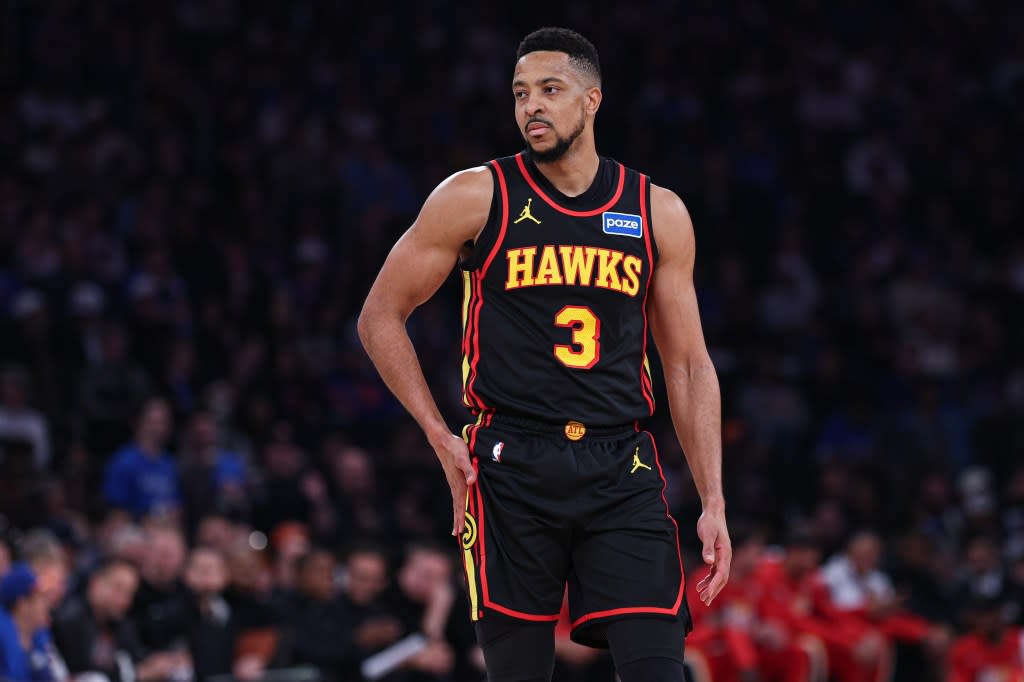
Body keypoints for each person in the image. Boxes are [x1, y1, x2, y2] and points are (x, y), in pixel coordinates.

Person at [358, 26, 730, 681]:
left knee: (660, 669)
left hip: (621, 464)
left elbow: (690, 366)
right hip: (510, 466)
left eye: (550, 90)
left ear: (591, 101)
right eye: (520, 93)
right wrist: (440, 435)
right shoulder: (475, 196)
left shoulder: (656, 211)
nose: (532, 105)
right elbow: (379, 317)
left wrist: (714, 500)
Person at [0, 564, 66, 682]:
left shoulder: (39, 636)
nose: (46, 604)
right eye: (39, 599)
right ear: (22, 604)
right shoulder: (3, 637)